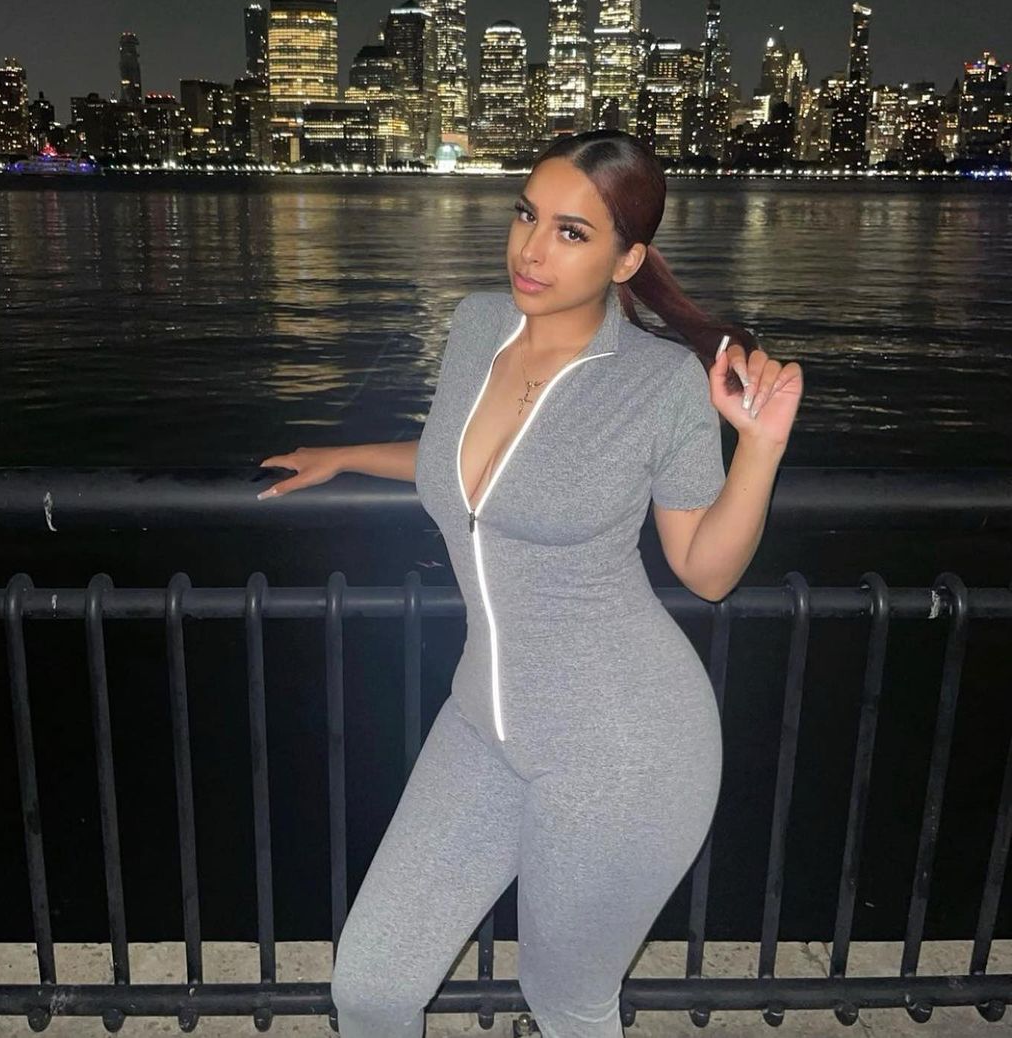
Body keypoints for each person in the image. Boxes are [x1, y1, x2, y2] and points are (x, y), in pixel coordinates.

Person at [258, 130, 803, 1038]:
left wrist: (761, 447)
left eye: (571, 232)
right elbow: (474, 462)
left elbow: (705, 572)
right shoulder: (478, 326)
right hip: (483, 723)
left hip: (622, 749)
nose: (532, 250)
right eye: (526, 216)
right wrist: (348, 455)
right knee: (373, 984)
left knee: (565, 1004)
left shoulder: (662, 384)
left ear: (627, 259)